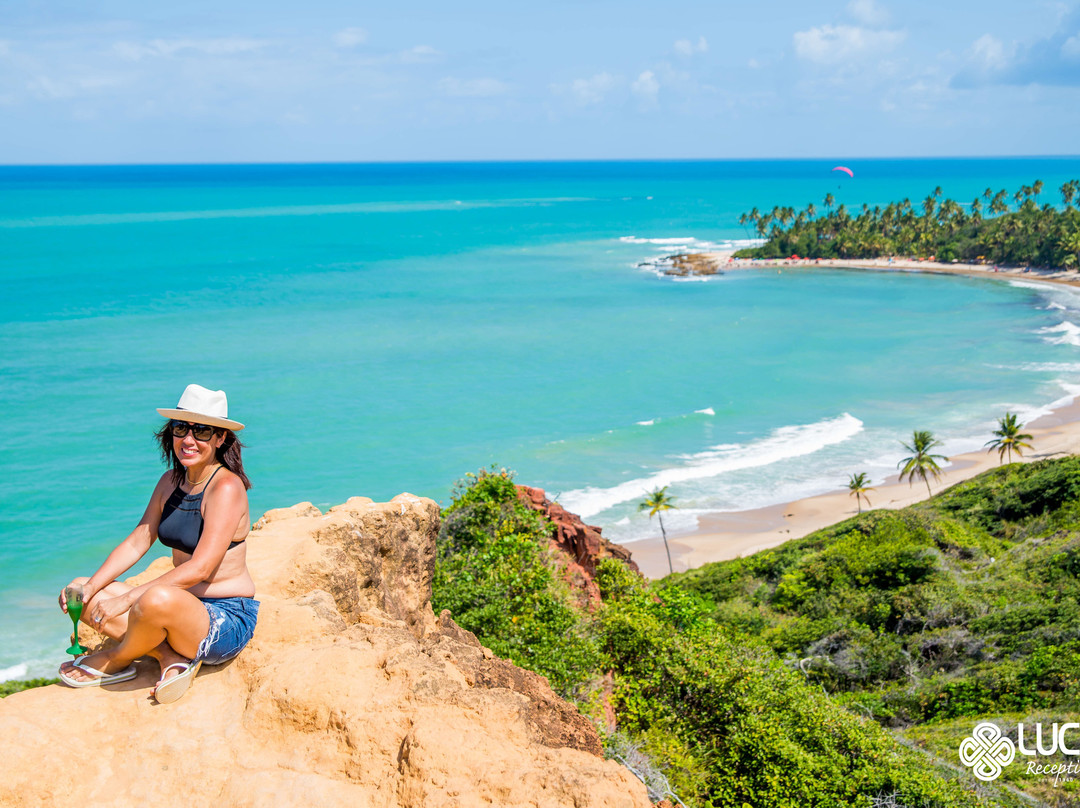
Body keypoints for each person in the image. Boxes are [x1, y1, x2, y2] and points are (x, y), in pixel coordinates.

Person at [58, 384, 258, 703]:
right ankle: (167, 656)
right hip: (172, 605)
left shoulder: (227, 488)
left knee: (153, 599)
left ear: (221, 438)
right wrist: (92, 586)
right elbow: (139, 539)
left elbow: (201, 567)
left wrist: (127, 600)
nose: (189, 439)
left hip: (223, 618)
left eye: (203, 431)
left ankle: (119, 658)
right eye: (182, 428)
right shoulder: (170, 482)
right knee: (78, 591)